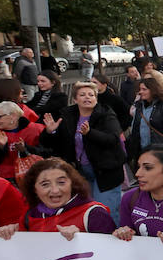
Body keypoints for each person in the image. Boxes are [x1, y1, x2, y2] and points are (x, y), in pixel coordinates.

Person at [39, 81, 125, 214]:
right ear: (75, 99)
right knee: (87, 211)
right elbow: (55, 145)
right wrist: (51, 132)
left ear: (96, 99)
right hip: (80, 171)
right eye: (82, 95)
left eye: (91, 95)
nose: (87, 97)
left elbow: (112, 139)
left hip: (105, 171)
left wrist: (89, 133)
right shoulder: (68, 115)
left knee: (105, 210)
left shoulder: (106, 114)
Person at [0, 158, 116, 239]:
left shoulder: (93, 213)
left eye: (61, 182)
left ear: (72, 184)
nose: (55, 190)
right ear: (34, 189)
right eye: (45, 184)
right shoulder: (30, 215)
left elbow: (111, 254)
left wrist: (82, 238)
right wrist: (9, 234)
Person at [127, 76, 163, 165]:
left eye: (144, 89)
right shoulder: (139, 106)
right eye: (140, 89)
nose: (140, 92)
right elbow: (134, 124)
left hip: (160, 151)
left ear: (153, 90)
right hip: (141, 151)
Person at [0, 101, 45, 183]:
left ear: (13, 116)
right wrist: (0, 146)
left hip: (33, 174)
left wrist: (25, 148)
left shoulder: (36, 130)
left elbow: (46, 152)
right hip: (4, 178)